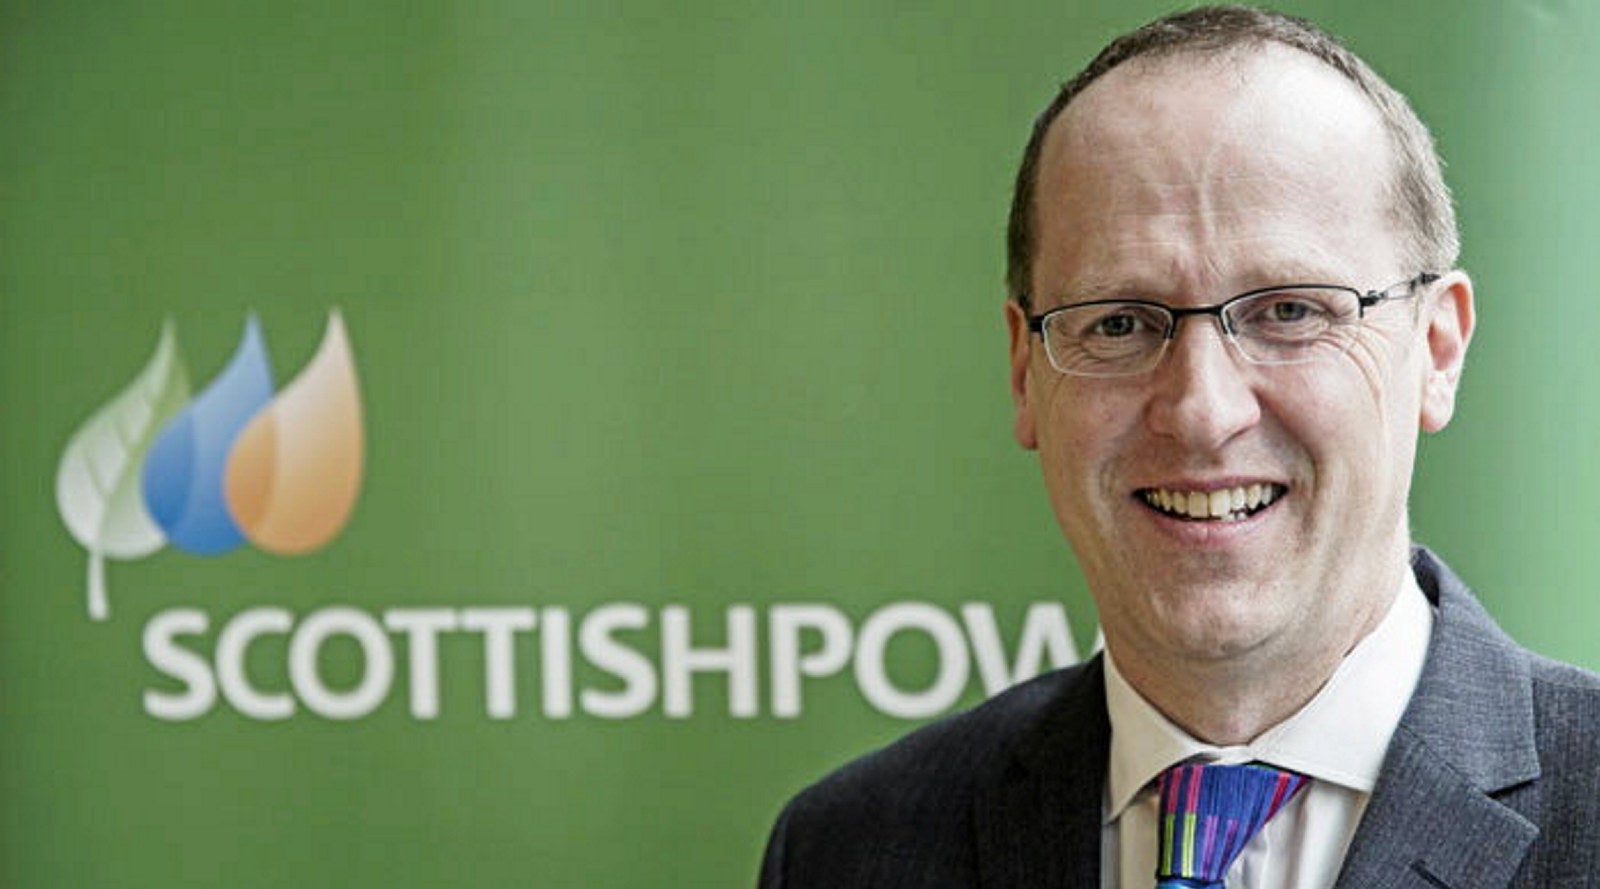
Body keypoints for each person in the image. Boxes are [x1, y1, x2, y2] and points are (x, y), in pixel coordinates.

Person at [757, 6, 1600, 888]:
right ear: (1024, 372)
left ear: (1436, 348)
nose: (1202, 410)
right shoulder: (847, 851)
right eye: (1120, 322)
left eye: (1289, 310)